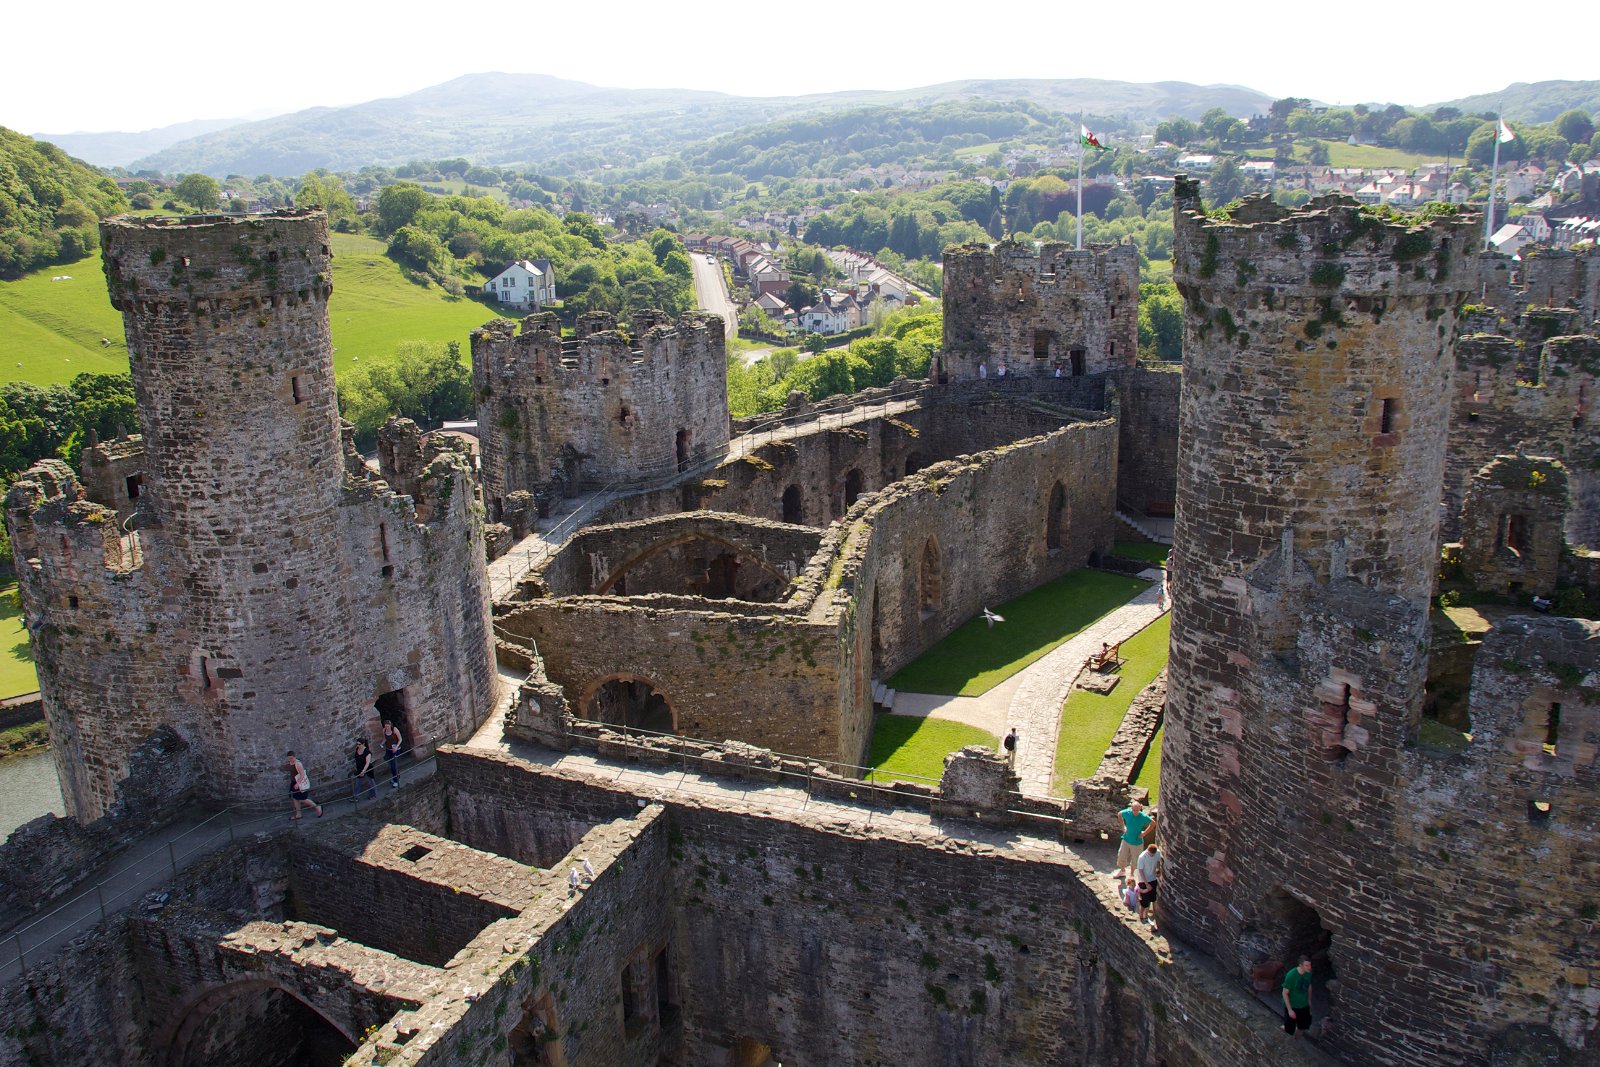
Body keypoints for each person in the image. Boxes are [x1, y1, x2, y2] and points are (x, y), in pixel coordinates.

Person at [1116, 799, 1152, 879]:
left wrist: (1144, 833)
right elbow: (1119, 814)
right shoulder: (1127, 812)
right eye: (1133, 809)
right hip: (1126, 839)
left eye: (1137, 810)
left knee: (1135, 859)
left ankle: (1131, 874)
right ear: (1131, 808)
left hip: (1137, 842)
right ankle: (1122, 871)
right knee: (1121, 855)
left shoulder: (1143, 816)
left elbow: (1153, 823)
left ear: (1140, 808)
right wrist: (1123, 826)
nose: (1135, 811)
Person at [1282, 957, 1314, 1038]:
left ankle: (1296, 1038)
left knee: (1303, 1026)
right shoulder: (1291, 975)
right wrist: (1290, 1010)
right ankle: (1288, 1034)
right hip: (1293, 1005)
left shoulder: (1309, 972)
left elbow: (1309, 985)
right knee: (1289, 1028)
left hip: (1304, 1004)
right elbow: (1285, 993)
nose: (1309, 967)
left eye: (1310, 965)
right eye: (1307, 965)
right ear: (1300, 965)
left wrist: (1309, 1001)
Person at [286, 751, 322, 820]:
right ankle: (298, 814)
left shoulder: (298, 764)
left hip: (299, 784)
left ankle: (317, 807)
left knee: (303, 799)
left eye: (291, 758)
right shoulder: (290, 762)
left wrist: (298, 783)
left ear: (294, 757)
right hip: (293, 783)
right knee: (295, 798)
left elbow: (302, 774)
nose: (290, 760)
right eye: (289, 758)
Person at [1135, 842, 1162, 925]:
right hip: (1143, 881)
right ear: (1147, 851)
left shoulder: (1157, 853)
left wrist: (1158, 869)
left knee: (1152, 898)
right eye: (1150, 854)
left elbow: (1158, 861)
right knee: (1144, 901)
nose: (1152, 856)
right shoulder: (1142, 857)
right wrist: (1146, 884)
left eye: (1153, 855)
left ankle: (1147, 916)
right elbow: (1140, 870)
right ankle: (1141, 917)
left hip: (1153, 879)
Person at [382, 720, 405, 789]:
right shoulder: (384, 730)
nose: (387, 727)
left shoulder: (394, 729)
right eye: (385, 726)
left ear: (390, 725)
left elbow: (400, 739)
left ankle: (396, 781)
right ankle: (396, 776)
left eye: (388, 726)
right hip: (389, 749)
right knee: (390, 763)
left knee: (393, 765)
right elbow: (385, 738)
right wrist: (382, 743)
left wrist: (397, 746)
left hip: (395, 749)